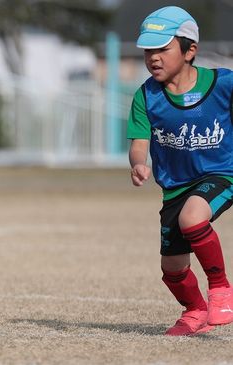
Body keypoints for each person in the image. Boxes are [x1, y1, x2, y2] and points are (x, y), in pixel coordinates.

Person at [127, 6, 233, 336]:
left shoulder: (223, 84)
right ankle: (195, 310)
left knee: (193, 218)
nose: (153, 58)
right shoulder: (146, 96)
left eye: (162, 49)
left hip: (222, 173)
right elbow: (139, 143)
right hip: (175, 187)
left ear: (190, 51)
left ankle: (221, 289)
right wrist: (139, 163)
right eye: (148, 51)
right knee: (172, 268)